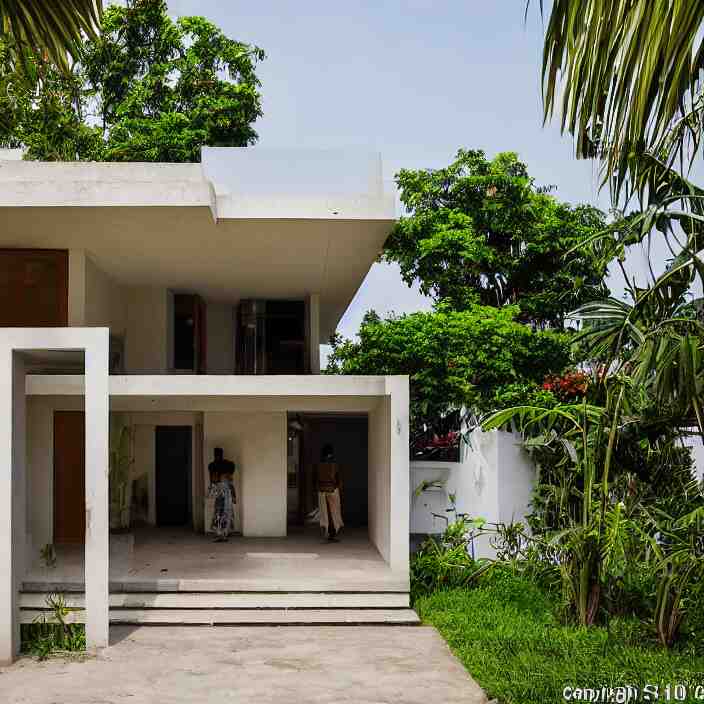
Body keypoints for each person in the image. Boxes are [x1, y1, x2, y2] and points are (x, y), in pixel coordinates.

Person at [315, 444, 344, 542]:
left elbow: (315, 479)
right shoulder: (334, 464)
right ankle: (332, 533)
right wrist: (337, 487)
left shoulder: (319, 465)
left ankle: (326, 532)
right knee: (334, 513)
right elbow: (338, 479)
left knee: (324, 513)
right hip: (332, 490)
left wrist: (319, 488)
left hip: (322, 491)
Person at [208, 448, 236, 542]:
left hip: (222, 492)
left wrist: (212, 491)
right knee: (224, 512)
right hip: (224, 493)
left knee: (221, 512)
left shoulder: (214, 466)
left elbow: (213, 481)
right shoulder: (225, 466)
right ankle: (223, 533)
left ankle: (222, 534)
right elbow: (229, 483)